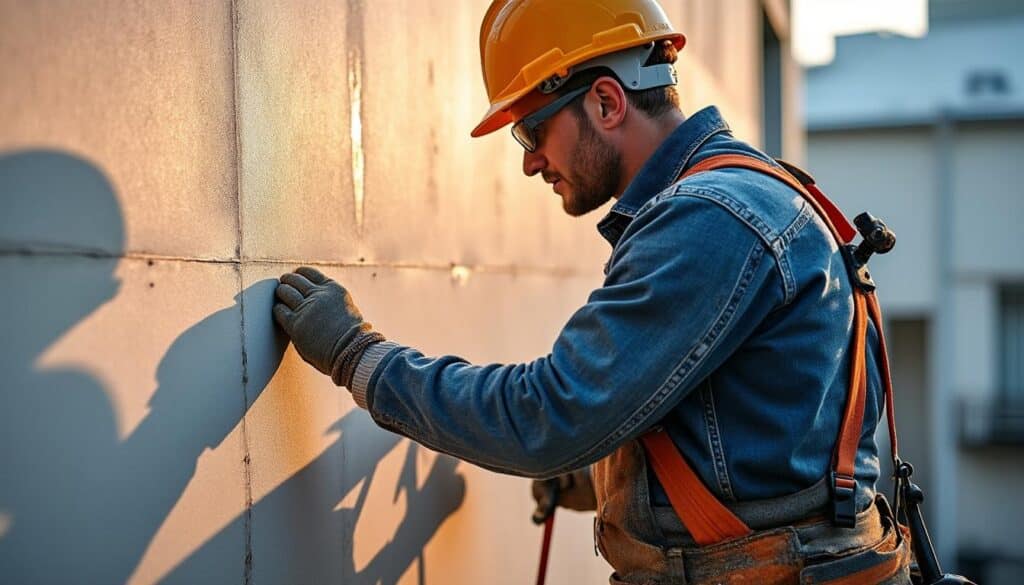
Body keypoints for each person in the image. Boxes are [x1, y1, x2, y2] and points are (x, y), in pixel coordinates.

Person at [273, 0, 912, 582]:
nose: (527, 161)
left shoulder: (708, 221)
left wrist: (359, 358)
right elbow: (753, 424)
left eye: (531, 131)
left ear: (607, 103)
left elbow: (546, 416)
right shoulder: (752, 192)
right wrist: (604, 476)